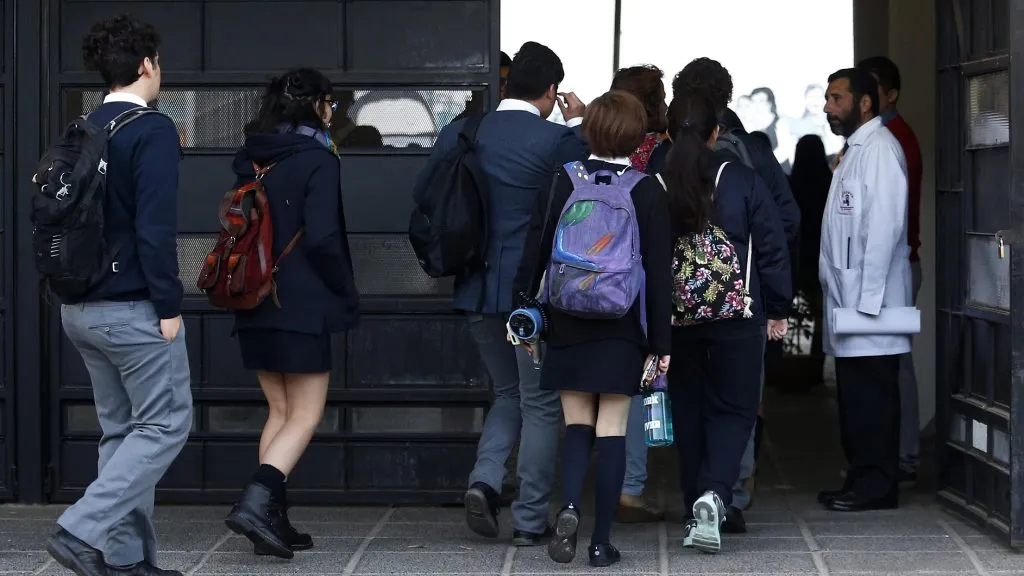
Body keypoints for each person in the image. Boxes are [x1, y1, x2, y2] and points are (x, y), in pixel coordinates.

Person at [412, 41, 588, 546]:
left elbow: (426, 193)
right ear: (553, 92)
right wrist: (577, 124)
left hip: (474, 286)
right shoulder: (558, 139)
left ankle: (485, 482)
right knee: (539, 403)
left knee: (507, 394)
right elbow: (587, 199)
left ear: (506, 84)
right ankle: (530, 520)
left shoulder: (465, 130)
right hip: (531, 298)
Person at [44, 14, 192, 576]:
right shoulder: (149, 129)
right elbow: (156, 232)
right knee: (166, 424)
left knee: (122, 431)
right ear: (148, 65)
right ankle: (81, 530)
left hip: (79, 307)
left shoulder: (82, 128)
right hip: (132, 309)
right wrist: (170, 306)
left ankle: (127, 562)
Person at [511, 90, 673, 567]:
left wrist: (522, 310)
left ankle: (569, 507)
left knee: (576, 425)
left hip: (567, 318)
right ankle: (601, 542)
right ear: (637, 136)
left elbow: (536, 248)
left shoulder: (564, 179)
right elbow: (659, 277)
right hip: (622, 326)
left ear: (590, 130)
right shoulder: (647, 190)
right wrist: (661, 345)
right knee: (613, 431)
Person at [224, 68, 359, 559]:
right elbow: (322, 237)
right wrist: (345, 289)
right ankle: (256, 504)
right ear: (319, 105)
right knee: (305, 413)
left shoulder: (253, 157)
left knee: (279, 411)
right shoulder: (318, 159)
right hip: (301, 302)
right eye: (332, 104)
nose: (333, 112)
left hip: (254, 295)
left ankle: (270, 522)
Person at [662, 56, 800, 534]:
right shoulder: (741, 179)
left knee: (689, 409)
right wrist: (778, 308)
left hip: (677, 319)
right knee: (734, 408)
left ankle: (691, 503)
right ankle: (716, 496)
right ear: (716, 131)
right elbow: (772, 247)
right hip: (737, 316)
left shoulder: (658, 181)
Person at [817, 67, 911, 512]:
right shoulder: (854, 151)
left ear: (865, 103)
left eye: (837, 99)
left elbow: (887, 227)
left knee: (872, 398)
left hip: (869, 302)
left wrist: (867, 298)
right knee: (855, 399)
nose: (828, 107)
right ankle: (860, 477)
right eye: (828, 99)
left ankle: (876, 486)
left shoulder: (881, 150)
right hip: (849, 300)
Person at [856, 56, 924, 488]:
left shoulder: (891, 139)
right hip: (884, 268)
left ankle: (903, 457)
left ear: (890, 94)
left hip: (895, 266)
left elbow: (886, 220)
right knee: (885, 367)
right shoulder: (873, 139)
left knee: (894, 367)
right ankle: (891, 457)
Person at [607, 63, 670, 523]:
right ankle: (630, 485)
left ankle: (617, 485)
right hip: (645, 279)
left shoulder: (603, 150)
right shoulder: (660, 155)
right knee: (639, 385)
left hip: (603, 278)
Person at [788, 135, 834, 375]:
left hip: (797, 259)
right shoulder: (831, 183)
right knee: (821, 314)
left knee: (796, 313)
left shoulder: (790, 185)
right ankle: (816, 367)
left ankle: (792, 368)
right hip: (823, 257)